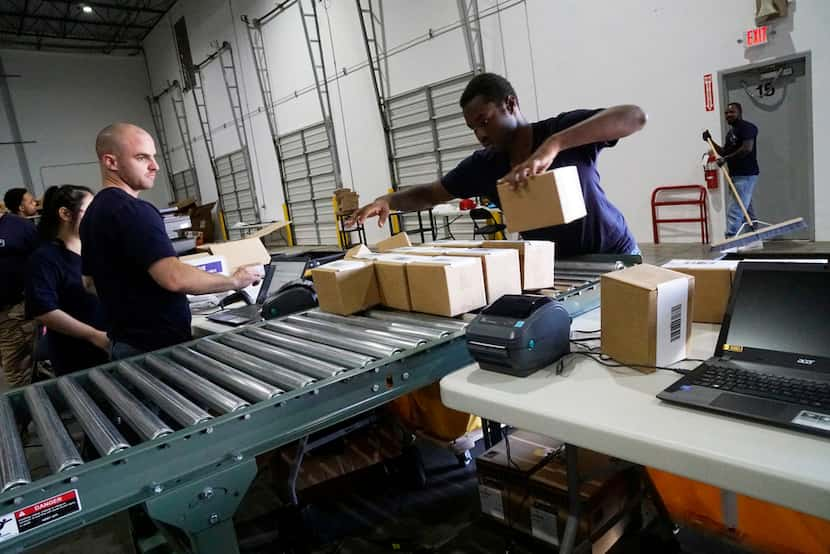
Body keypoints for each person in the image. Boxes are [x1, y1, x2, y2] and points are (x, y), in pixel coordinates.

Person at [351, 73, 646, 257]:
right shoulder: (484, 166)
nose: (480, 134)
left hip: (614, 254)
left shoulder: (560, 130)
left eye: (484, 121)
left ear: (510, 104)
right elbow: (430, 194)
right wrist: (387, 200)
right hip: (557, 266)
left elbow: (634, 117)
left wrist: (554, 145)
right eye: (473, 128)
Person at [80, 123, 262, 360]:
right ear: (111, 162)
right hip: (155, 351)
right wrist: (234, 281)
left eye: (153, 157)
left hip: (123, 344)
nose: (154, 166)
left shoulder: (92, 214)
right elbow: (174, 277)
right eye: (142, 157)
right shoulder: (135, 211)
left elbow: (90, 283)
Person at [26, 185, 109, 375]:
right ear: (65, 213)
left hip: (112, 343)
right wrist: (94, 336)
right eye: (90, 211)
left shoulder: (95, 248)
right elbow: (44, 311)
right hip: (76, 355)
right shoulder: (44, 259)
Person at [0, 188, 39, 388]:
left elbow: (41, 262)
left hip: (14, 311)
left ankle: (24, 414)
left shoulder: (19, 227)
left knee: (18, 367)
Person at [703, 102, 759, 237]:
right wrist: (710, 140)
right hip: (735, 175)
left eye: (731, 112)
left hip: (746, 174)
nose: (728, 115)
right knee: (746, 209)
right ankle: (754, 237)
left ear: (739, 112)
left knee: (736, 209)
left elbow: (747, 148)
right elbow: (723, 152)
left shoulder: (747, 128)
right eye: (726, 113)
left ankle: (730, 238)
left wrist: (726, 159)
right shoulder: (731, 133)